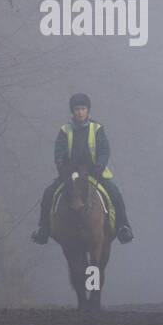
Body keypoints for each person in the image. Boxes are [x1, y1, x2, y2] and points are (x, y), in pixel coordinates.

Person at [33, 93, 133, 244]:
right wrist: (62, 168)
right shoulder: (64, 130)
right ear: (72, 111)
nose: (80, 112)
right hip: (70, 174)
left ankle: (123, 227)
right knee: (48, 194)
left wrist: (99, 166)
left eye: (83, 108)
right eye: (77, 109)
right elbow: (59, 152)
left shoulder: (97, 129)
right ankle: (44, 229)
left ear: (88, 110)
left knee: (115, 193)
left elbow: (104, 150)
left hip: (95, 173)